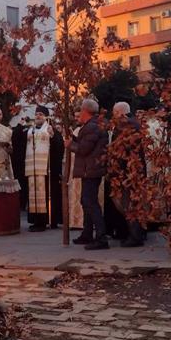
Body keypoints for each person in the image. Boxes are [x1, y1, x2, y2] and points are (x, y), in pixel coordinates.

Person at [64, 98, 109, 250]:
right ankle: (87, 234)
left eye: (81, 110)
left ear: (85, 111)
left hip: (90, 170)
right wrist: (74, 138)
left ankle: (101, 238)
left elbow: (84, 149)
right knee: (86, 202)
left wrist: (70, 145)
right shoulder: (94, 125)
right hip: (90, 169)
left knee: (91, 203)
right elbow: (86, 142)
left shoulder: (92, 126)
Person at [109, 102, 146, 247]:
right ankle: (137, 233)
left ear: (120, 112)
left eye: (114, 113)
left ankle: (135, 236)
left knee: (128, 204)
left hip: (128, 171)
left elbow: (123, 151)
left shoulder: (126, 125)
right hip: (133, 170)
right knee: (132, 203)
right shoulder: (135, 123)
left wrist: (120, 171)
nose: (113, 116)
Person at [25, 106, 54, 232]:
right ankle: (35, 220)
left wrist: (52, 134)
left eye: (41, 114)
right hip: (32, 166)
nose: (38, 116)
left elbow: (55, 142)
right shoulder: (30, 129)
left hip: (43, 167)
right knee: (33, 195)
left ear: (46, 116)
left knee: (42, 194)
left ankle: (42, 222)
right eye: (37, 114)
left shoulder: (48, 128)